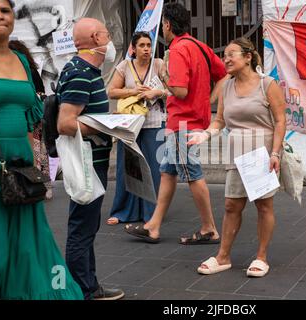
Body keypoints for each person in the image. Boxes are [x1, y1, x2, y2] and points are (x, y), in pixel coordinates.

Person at [0, 0, 83, 299]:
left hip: (20, 175)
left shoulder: (22, 61)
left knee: (29, 251)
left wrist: (36, 174)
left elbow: (31, 122)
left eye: (4, 10)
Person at [124, 2, 228, 245]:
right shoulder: (200, 47)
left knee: (192, 174)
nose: (162, 29)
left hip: (183, 123)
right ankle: (154, 226)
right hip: (187, 121)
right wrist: (209, 100)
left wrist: (163, 78)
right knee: (168, 172)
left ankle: (209, 228)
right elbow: (223, 75)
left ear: (168, 24)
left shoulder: (179, 49)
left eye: (163, 25)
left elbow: (179, 91)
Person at [187, 38, 287, 278]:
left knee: (263, 205)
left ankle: (261, 257)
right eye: (225, 55)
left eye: (232, 54)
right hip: (237, 150)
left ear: (248, 57)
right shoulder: (226, 87)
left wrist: (275, 153)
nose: (227, 59)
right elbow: (220, 120)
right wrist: (206, 135)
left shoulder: (267, 84)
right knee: (232, 205)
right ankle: (223, 257)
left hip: (262, 150)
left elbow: (281, 120)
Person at [56, 17, 124, 300]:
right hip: (86, 163)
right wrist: (106, 125)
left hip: (91, 161)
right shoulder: (82, 73)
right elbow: (66, 123)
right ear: (96, 38)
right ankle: (82, 289)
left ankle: (88, 284)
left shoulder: (85, 70)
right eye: (107, 35)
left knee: (87, 225)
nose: (109, 41)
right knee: (83, 227)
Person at [106, 32, 167, 226]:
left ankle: (152, 213)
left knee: (153, 169)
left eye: (149, 45)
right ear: (133, 48)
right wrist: (134, 91)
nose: (146, 49)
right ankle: (124, 211)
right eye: (142, 45)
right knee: (129, 166)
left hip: (154, 122)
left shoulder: (158, 65)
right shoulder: (124, 66)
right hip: (130, 124)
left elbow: (172, 90)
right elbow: (112, 91)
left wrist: (156, 92)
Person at [8, 39, 52, 200]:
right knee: (39, 151)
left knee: (36, 151)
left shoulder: (27, 70)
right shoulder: (26, 69)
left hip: (32, 117)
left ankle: (38, 185)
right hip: (31, 118)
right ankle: (40, 186)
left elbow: (39, 91)